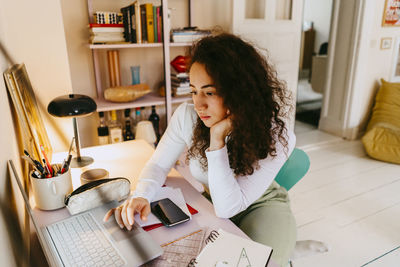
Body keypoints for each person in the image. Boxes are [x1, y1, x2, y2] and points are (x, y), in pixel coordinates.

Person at [104, 33, 297, 266]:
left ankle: (288, 250)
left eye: (210, 92)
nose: (198, 104)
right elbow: (158, 164)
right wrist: (141, 195)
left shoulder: (277, 133)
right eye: (193, 91)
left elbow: (228, 207)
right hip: (213, 202)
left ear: (240, 91)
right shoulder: (187, 116)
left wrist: (217, 139)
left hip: (261, 206)